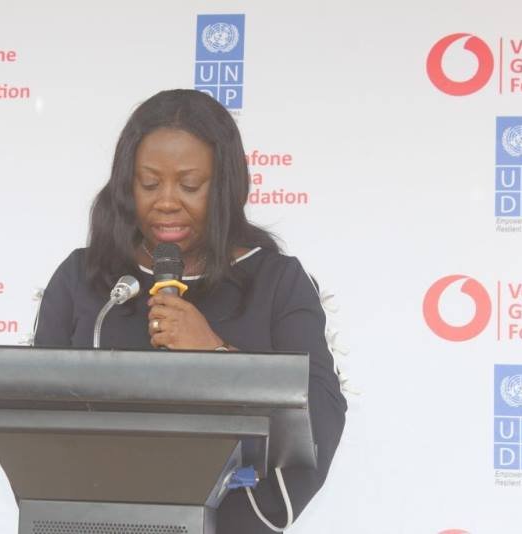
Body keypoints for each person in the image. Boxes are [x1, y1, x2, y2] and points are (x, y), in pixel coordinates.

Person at [34, 89, 346, 533]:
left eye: (190, 185)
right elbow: (29, 419)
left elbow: (319, 422)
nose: (166, 201)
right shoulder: (84, 280)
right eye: (149, 184)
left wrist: (215, 353)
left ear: (225, 187)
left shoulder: (276, 283)